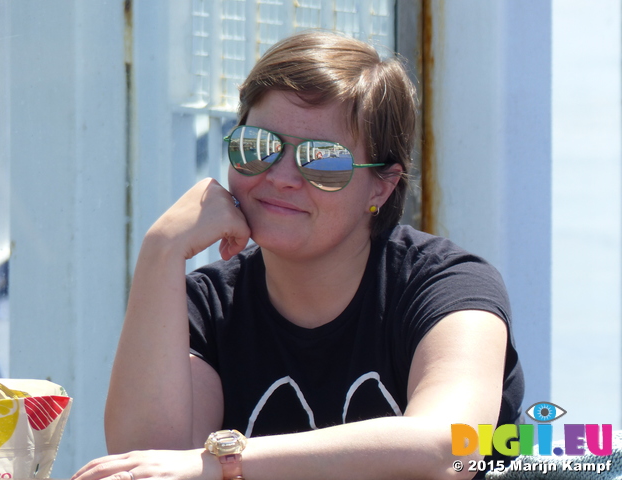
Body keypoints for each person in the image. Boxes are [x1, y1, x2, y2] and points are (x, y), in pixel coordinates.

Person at [72, 31, 523, 480]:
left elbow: (454, 446)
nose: (282, 176)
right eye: (258, 146)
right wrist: (161, 250)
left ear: (381, 186)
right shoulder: (207, 307)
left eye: (323, 160)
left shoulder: (447, 286)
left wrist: (226, 460)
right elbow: (149, 463)